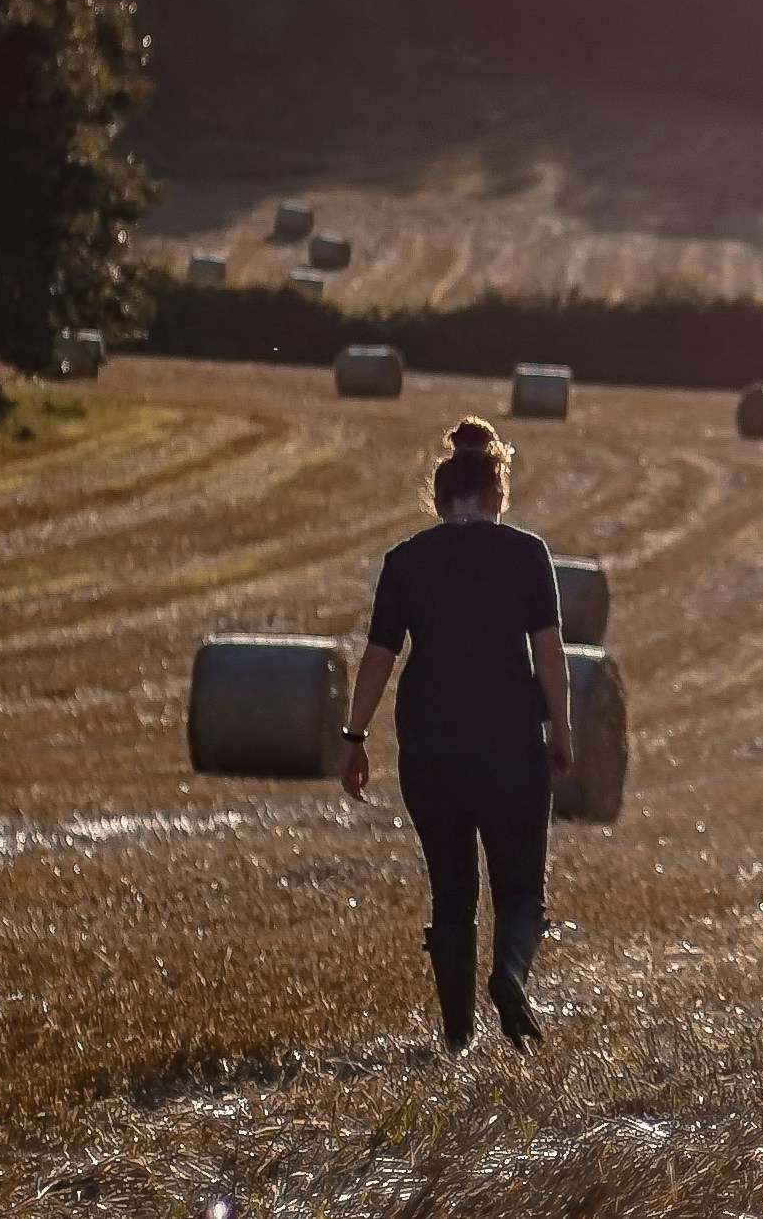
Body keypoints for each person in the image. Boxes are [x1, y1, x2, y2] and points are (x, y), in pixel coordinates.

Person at [341, 418, 574, 1053]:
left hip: (430, 746)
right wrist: (561, 729)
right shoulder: (528, 554)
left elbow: (378, 658)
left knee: (451, 889)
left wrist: (353, 736)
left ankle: (457, 1037)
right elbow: (550, 655)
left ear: (441, 498)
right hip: (510, 742)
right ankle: (509, 975)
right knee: (521, 885)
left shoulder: (406, 560)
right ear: (498, 494)